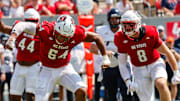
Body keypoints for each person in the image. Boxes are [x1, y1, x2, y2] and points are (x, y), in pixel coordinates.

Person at [7, 14, 111, 101]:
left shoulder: (77, 33)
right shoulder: (46, 29)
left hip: (64, 67)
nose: (62, 40)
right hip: (46, 69)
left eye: (65, 37)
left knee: (82, 91)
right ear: (55, 29)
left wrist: (105, 56)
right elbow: (22, 25)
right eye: (60, 36)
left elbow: (97, 37)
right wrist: (12, 37)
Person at [114, 10, 180, 101]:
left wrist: (176, 72)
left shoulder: (150, 32)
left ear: (138, 23)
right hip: (138, 69)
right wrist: (128, 81)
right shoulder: (120, 37)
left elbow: (167, 52)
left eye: (131, 25)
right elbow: (122, 63)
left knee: (161, 83)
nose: (127, 28)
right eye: (124, 25)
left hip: (155, 63)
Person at [90, 8, 139, 101]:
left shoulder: (125, 30)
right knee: (110, 93)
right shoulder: (101, 31)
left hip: (123, 64)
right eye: (112, 19)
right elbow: (92, 48)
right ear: (109, 19)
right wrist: (104, 52)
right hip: (109, 65)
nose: (115, 21)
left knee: (127, 92)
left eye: (117, 18)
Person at [0, 8, 41, 101]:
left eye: (33, 21)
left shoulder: (41, 33)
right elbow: (2, 28)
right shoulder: (19, 29)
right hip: (19, 66)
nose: (30, 24)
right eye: (28, 21)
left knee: (31, 96)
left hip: (34, 67)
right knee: (14, 97)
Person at [165, 37, 180, 101]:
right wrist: (169, 54)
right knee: (165, 85)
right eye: (169, 42)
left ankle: (173, 99)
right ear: (166, 43)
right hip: (166, 68)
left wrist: (173, 52)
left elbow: (179, 58)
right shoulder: (164, 49)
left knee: (174, 84)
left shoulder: (176, 50)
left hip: (174, 69)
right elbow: (164, 60)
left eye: (171, 42)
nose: (170, 44)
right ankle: (167, 98)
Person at [0, 34, 14, 101]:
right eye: (3, 41)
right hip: (2, 72)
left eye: (6, 40)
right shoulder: (1, 49)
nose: (5, 42)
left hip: (10, 72)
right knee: (1, 90)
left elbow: (15, 61)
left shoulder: (13, 50)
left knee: (11, 91)